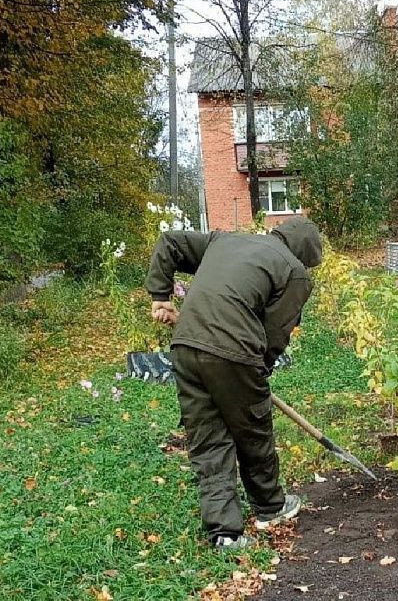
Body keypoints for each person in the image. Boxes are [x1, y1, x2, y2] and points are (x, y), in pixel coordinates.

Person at [145, 217, 323, 550]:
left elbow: (169, 241)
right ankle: (270, 507)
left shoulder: (223, 241)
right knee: (252, 429)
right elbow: (275, 332)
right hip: (234, 353)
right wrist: (260, 370)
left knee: (207, 436)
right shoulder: (294, 271)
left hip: (185, 347)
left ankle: (224, 534)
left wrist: (160, 295)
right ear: (304, 254)